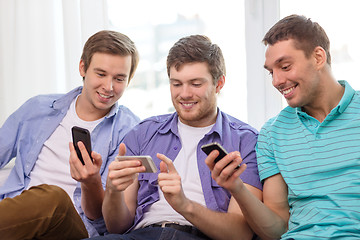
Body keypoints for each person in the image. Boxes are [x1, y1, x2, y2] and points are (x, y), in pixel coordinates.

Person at [88, 35, 263, 240]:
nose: (185, 94)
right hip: (141, 235)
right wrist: (113, 191)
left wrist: (184, 205)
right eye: (176, 84)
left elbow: (239, 234)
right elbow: (116, 226)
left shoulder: (246, 141)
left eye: (195, 84)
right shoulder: (143, 133)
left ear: (219, 83)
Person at [205, 14, 360, 240]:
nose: (276, 80)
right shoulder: (272, 133)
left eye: (285, 67)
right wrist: (236, 188)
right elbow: (277, 229)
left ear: (318, 57)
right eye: (271, 72)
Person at [0, 30, 140, 239]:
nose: (108, 87)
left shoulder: (130, 132)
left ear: (129, 79)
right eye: (101, 74)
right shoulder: (38, 108)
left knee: (53, 197)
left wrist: (90, 182)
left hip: (73, 228)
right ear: (82, 67)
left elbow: (105, 222)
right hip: (17, 223)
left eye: (119, 78)